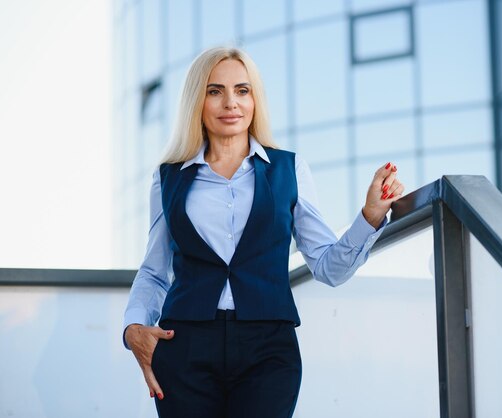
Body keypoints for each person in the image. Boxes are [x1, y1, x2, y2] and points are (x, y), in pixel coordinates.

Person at [122, 46, 405, 418]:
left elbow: (328, 267)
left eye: (242, 90)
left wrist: (369, 217)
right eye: (214, 91)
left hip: (268, 350)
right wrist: (133, 328)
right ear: (197, 101)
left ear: (255, 99)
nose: (230, 103)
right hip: (185, 347)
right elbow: (155, 270)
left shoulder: (290, 170)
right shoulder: (168, 179)